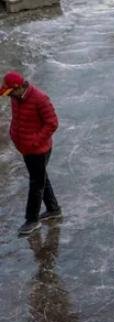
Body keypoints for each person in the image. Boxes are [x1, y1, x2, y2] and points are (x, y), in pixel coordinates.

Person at [1, 71, 62, 236]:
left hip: (38, 150)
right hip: (26, 148)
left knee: (36, 183)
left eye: (10, 92)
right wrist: (14, 135)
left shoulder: (40, 98)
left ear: (19, 87)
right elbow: (17, 119)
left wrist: (34, 141)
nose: (9, 96)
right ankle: (53, 209)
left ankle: (32, 220)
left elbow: (52, 123)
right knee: (40, 178)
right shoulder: (16, 97)